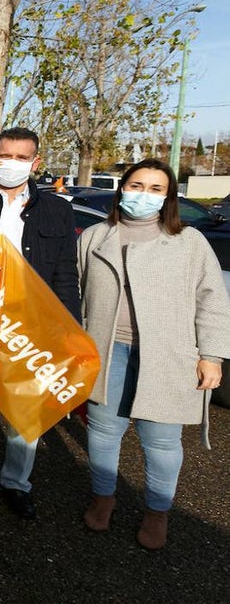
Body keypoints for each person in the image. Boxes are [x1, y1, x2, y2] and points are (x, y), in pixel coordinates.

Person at [78, 159, 230, 549]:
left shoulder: (189, 242)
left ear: (168, 197)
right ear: (122, 189)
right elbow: (75, 293)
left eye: (155, 189)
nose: (143, 195)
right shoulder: (94, 236)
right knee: (103, 432)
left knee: (161, 442)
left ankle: (157, 512)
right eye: (136, 185)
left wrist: (212, 355)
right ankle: (103, 498)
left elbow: (212, 300)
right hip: (105, 350)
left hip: (166, 356)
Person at [0, 127, 80, 519]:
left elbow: (65, 273)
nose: (12, 163)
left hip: (29, 325)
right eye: (6, 156)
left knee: (27, 410)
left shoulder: (57, 210)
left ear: (36, 163)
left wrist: (68, 328)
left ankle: (16, 483)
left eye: (22, 158)